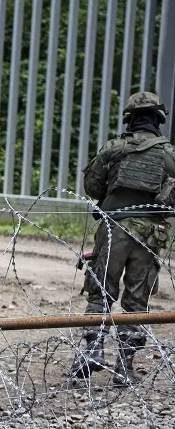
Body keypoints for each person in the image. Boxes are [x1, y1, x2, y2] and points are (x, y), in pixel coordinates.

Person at [70, 91, 174, 386]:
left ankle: (93, 352)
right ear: (159, 119)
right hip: (150, 235)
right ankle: (124, 369)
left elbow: (92, 187)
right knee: (136, 301)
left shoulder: (114, 148)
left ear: (129, 119)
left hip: (114, 228)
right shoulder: (169, 154)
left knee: (100, 291)